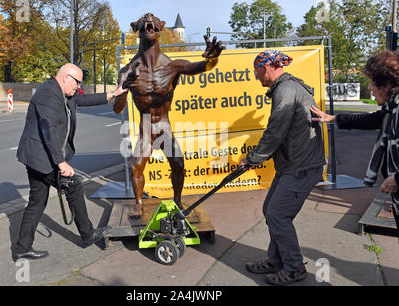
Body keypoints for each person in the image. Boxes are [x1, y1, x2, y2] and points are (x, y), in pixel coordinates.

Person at [113, 13, 224, 218]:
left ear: (160, 30)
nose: (149, 27)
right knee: (135, 166)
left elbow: (202, 67)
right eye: (145, 26)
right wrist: (125, 88)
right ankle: (138, 204)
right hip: (146, 125)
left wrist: (213, 59)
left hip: (164, 125)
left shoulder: (172, 66)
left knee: (179, 164)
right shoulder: (127, 70)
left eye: (153, 25)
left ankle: (177, 200)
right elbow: (118, 109)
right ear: (138, 31)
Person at [13, 63, 127, 261]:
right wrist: (61, 163)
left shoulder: (62, 93)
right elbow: (47, 129)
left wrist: (114, 93)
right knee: (74, 186)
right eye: (77, 83)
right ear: (66, 77)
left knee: (36, 202)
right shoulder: (48, 94)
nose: (78, 87)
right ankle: (88, 234)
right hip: (42, 157)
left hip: (38, 156)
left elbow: (82, 100)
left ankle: (22, 247)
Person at [239, 50, 327, 285]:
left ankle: (294, 268)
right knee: (271, 210)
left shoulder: (285, 90)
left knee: (278, 215)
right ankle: (276, 260)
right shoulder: (287, 87)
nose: (256, 76)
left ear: (265, 68)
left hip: (302, 166)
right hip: (293, 164)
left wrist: (254, 158)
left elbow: (275, 130)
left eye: (256, 71)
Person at [311, 49, 399, 242]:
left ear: (385, 85)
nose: (369, 88)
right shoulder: (392, 110)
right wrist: (334, 118)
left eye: (372, 82)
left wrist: (397, 179)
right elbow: (373, 119)